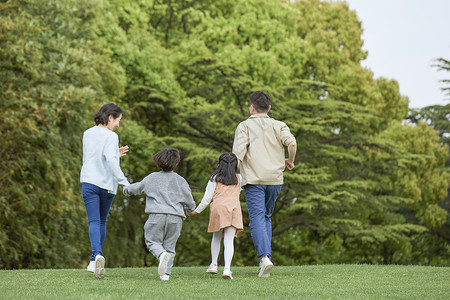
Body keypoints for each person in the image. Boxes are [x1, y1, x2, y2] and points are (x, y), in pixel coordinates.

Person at [232, 91, 296, 278]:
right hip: (275, 180)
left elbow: (237, 156)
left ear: (251, 107)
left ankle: (264, 259)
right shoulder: (279, 125)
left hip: (254, 180)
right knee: (266, 217)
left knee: (258, 219)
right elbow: (292, 143)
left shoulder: (244, 126)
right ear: (269, 108)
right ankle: (265, 261)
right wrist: (290, 160)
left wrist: (229, 177)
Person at [123, 148, 196, 281]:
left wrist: (126, 190)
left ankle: (161, 254)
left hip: (156, 215)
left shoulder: (151, 178)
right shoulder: (181, 180)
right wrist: (190, 208)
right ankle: (165, 275)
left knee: (152, 242)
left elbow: (137, 188)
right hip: (176, 217)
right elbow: (189, 200)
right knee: (170, 247)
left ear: (158, 162)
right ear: (176, 163)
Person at [80, 103, 130, 279]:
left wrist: (116, 153)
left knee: (93, 221)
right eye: (118, 120)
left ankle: (96, 257)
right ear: (110, 118)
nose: (117, 125)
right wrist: (124, 181)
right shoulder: (111, 135)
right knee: (102, 222)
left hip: (89, 181)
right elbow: (109, 160)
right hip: (107, 185)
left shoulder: (87, 133)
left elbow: (94, 155)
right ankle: (95, 258)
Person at [187, 152, 243, 280]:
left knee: (216, 236)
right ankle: (227, 269)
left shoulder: (214, 178)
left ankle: (213, 264)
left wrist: (196, 211)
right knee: (229, 240)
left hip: (218, 209)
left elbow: (207, 199)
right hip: (233, 209)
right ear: (235, 165)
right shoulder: (239, 178)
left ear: (219, 164)